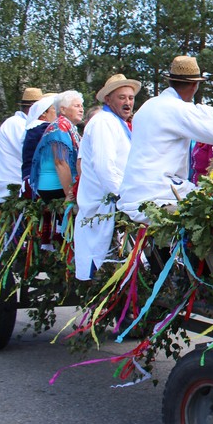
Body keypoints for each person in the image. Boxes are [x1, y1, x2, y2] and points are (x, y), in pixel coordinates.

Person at [118, 56, 213, 223]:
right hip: (158, 192)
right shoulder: (178, 108)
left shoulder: (148, 105)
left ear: (170, 81)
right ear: (195, 86)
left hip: (132, 191)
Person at [73, 74, 140, 280]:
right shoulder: (103, 122)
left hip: (113, 202)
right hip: (105, 204)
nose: (128, 102)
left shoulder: (116, 122)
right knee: (105, 269)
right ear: (108, 99)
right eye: (122, 97)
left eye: (130, 98)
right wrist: (124, 196)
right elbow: (104, 167)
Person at [30, 91, 84, 202]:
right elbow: (60, 162)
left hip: (57, 185)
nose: (81, 110)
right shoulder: (60, 127)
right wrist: (70, 193)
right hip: (56, 188)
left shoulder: (67, 126)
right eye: (76, 106)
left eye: (82, 106)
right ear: (63, 109)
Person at [0, 87, 42, 202]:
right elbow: (31, 154)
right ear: (34, 107)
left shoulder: (19, 123)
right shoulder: (18, 124)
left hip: (15, 186)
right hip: (14, 188)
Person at [21, 94, 57, 195]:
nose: (59, 112)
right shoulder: (41, 129)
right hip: (36, 182)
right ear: (44, 113)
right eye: (55, 109)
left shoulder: (36, 128)